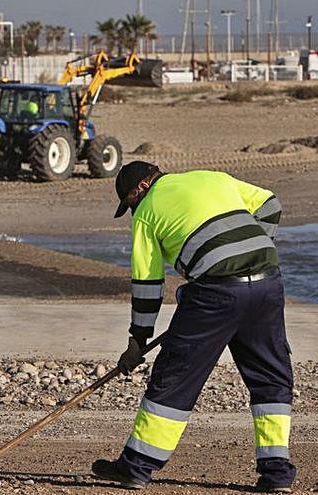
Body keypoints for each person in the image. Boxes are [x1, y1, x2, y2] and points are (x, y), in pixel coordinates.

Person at [91, 161, 295, 492]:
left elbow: (148, 284)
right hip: (267, 283)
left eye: (129, 203)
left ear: (140, 189)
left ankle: (136, 467)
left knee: (175, 376)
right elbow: (271, 203)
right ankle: (277, 473)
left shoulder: (147, 212)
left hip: (214, 293)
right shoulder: (212, 177)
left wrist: (137, 341)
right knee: (271, 376)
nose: (131, 211)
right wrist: (257, 248)